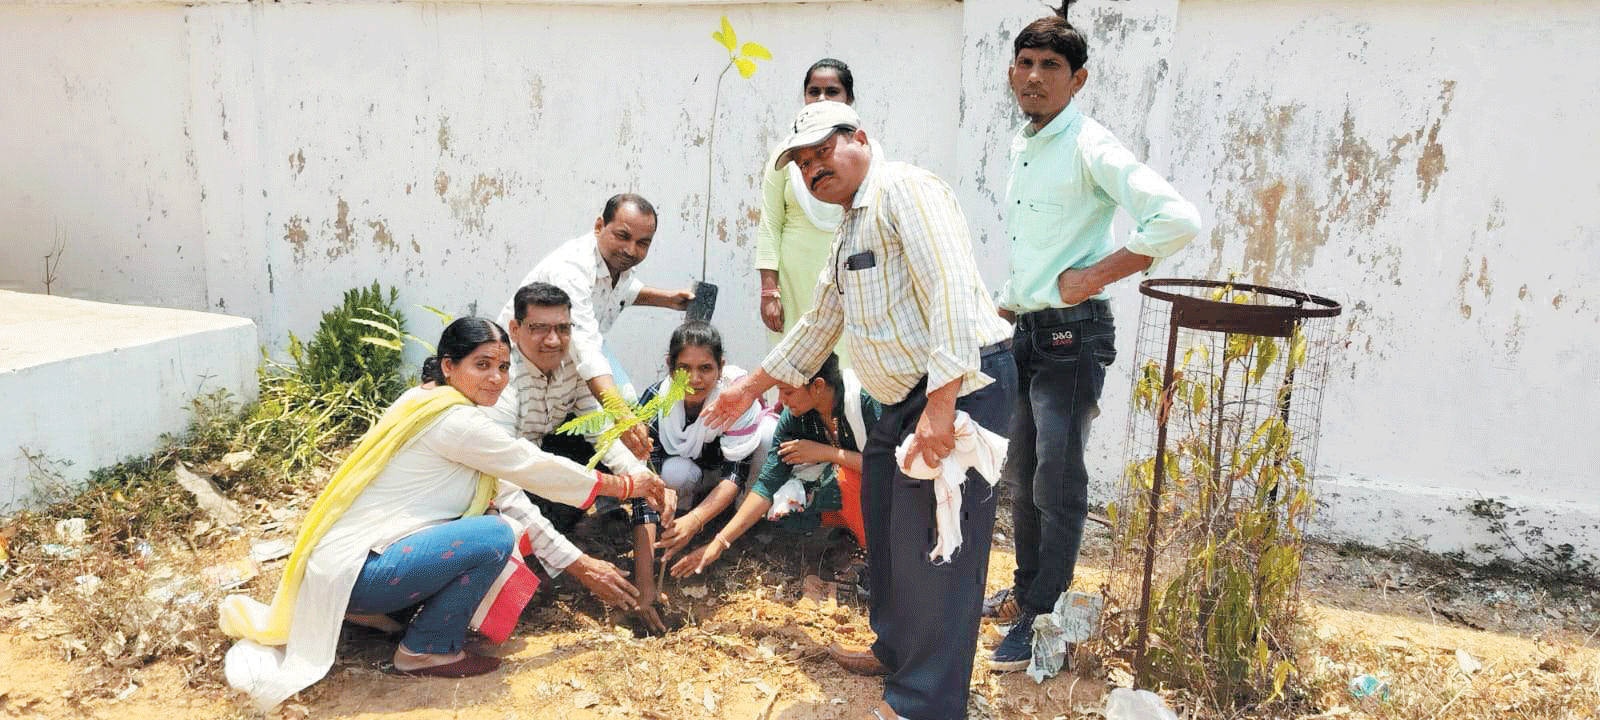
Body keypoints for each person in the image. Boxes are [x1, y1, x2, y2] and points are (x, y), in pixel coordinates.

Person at [703, 101, 1016, 720]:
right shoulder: (851, 227)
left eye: (823, 152)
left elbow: (951, 287)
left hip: (961, 382)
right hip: (906, 397)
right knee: (888, 523)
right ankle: (897, 651)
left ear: (861, 139)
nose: (814, 169)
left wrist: (943, 405)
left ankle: (926, 701)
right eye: (802, 162)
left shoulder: (906, 190)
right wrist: (752, 386)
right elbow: (821, 321)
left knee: (937, 543)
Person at [219, 318, 670, 709]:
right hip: (363, 573)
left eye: (503, 367)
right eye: (482, 365)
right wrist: (626, 485)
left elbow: (510, 480)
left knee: (491, 523)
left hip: (343, 566)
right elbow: (534, 469)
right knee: (495, 535)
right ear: (449, 366)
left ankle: (388, 617)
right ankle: (425, 650)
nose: (495, 378)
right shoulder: (458, 422)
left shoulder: (420, 401)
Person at [987, 0, 1201, 673]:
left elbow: (1176, 218)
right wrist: (1012, 302)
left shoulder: (1088, 143)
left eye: (1051, 66)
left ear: (1078, 80)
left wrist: (1095, 276)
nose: (1034, 76)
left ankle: (1044, 611)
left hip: (1072, 339)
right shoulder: (1029, 142)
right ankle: (1027, 594)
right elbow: (1041, 242)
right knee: (1020, 478)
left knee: (1058, 481)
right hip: (1027, 333)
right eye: (1025, 63)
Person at [496, 193, 694, 458]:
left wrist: (668, 300)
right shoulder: (572, 269)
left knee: (621, 411)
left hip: (566, 364)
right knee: (522, 438)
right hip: (525, 361)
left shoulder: (617, 266)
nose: (631, 250)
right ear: (599, 226)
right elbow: (587, 349)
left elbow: (622, 291)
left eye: (643, 243)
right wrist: (620, 414)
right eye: (623, 236)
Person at [670, 352, 877, 579]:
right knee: (787, 504)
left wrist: (828, 453)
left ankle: (876, 550)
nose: (782, 400)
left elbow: (889, 468)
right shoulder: (793, 418)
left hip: (892, 494)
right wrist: (718, 543)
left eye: (787, 392)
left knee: (843, 479)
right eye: (779, 390)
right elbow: (767, 485)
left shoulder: (865, 400)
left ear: (817, 386)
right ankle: (847, 538)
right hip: (856, 500)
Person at [485, 281, 653, 532]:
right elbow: (500, 470)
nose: (553, 341)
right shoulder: (500, 377)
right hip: (502, 476)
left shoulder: (572, 366)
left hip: (540, 465)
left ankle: (559, 530)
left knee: (593, 445)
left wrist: (644, 479)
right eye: (539, 328)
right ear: (514, 329)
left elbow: (601, 432)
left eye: (563, 328)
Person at [643, 321, 776, 557]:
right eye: (684, 368)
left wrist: (697, 520)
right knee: (673, 471)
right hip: (691, 481)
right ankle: (677, 523)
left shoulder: (734, 400)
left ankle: (744, 520)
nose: (695, 380)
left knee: (767, 435)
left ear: (721, 367)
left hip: (729, 480)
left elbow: (736, 473)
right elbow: (647, 464)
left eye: (705, 368)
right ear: (670, 366)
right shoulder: (656, 399)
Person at [755, 59, 855, 348]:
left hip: (847, 278)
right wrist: (769, 292)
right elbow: (770, 224)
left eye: (832, 91)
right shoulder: (785, 156)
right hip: (794, 280)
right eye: (814, 91)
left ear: (849, 98)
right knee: (795, 365)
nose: (821, 98)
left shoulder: (859, 152)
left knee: (847, 368)